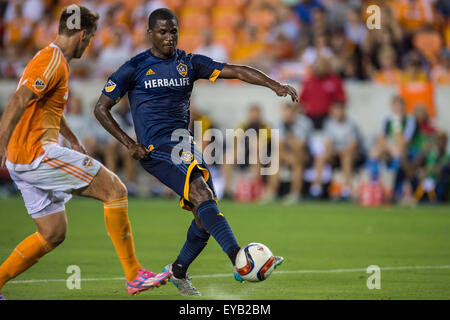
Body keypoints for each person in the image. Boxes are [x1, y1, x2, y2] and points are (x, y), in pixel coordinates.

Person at [93, 8, 297, 296]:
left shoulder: (189, 63)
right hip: (156, 148)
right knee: (202, 195)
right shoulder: (134, 67)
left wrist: (274, 85)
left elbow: (236, 70)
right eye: (162, 32)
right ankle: (240, 260)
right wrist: (129, 143)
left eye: (173, 31)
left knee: (204, 213)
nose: (169, 37)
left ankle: (178, 272)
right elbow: (100, 108)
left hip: (185, 144)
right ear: (150, 33)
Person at [0, 5, 171, 300]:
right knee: (115, 190)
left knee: (53, 232)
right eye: (90, 38)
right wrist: (0, 142)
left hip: (23, 159)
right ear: (81, 34)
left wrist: (72, 138)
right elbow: (18, 101)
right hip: (37, 153)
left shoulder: (53, 61)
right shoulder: (52, 62)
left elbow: (43, 107)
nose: (89, 44)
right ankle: (134, 275)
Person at [310, 102, 364, 200]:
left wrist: (342, 151)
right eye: (336, 110)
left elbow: (353, 144)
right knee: (320, 157)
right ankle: (316, 188)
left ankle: (347, 189)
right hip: (336, 153)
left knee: (346, 157)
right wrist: (330, 152)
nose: (338, 113)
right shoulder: (329, 124)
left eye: (340, 110)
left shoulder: (351, 124)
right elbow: (329, 143)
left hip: (350, 153)